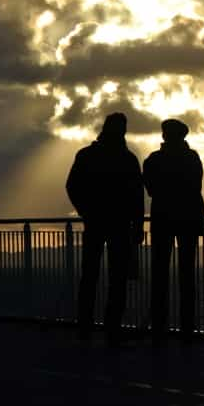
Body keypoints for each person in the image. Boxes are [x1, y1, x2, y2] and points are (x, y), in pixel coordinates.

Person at [66, 113, 144, 345]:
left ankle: (85, 327)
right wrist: (137, 225)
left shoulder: (87, 155)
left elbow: (72, 186)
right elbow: (137, 197)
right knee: (116, 278)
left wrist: (84, 210)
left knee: (90, 276)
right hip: (119, 224)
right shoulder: (128, 159)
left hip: (95, 222)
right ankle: (112, 329)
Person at [143, 119, 204, 345]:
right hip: (188, 219)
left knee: (159, 276)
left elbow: (150, 189)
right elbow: (196, 186)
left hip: (163, 220)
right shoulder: (192, 158)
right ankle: (187, 329)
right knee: (187, 276)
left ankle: (160, 329)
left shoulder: (153, 160)